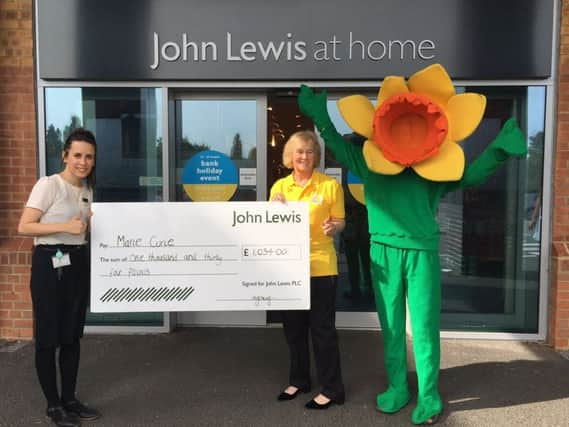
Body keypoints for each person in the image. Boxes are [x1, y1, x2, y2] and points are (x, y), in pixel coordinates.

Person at [298, 63, 527, 425]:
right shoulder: (370, 163)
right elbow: (340, 148)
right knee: (390, 326)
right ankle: (398, 387)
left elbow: (466, 177)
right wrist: (321, 117)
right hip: (383, 250)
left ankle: (430, 394)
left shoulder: (434, 170)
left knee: (422, 326)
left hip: (421, 251)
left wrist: (498, 151)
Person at [18, 129, 101, 427]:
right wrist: (64, 226)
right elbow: (24, 227)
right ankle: (53, 406)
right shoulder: (49, 184)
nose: (83, 161)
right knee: (48, 338)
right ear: (65, 155)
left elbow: (82, 231)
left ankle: (69, 399)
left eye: (89, 156)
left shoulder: (87, 191)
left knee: (71, 336)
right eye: (77, 155)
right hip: (49, 263)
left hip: (76, 262)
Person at [270, 130, 346, 409]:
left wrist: (333, 227)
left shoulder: (329, 186)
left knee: (322, 331)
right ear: (290, 155)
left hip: (321, 266)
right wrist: (273, 211)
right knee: (293, 329)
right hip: (289, 267)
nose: (304, 156)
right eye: (299, 151)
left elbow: (340, 221)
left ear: (316, 157)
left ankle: (333, 389)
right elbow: (270, 229)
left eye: (310, 151)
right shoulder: (279, 187)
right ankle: (299, 380)